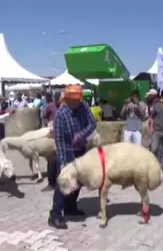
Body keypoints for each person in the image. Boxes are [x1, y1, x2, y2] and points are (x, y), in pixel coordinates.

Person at [49, 85, 96, 229]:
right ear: (67, 98)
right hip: (67, 151)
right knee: (64, 182)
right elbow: (59, 141)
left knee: (78, 181)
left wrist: (82, 134)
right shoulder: (60, 115)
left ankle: (70, 207)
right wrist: (63, 162)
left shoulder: (84, 107)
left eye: (78, 100)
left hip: (80, 149)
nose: (77, 103)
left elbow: (92, 124)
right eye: (74, 100)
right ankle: (55, 215)